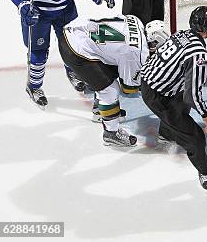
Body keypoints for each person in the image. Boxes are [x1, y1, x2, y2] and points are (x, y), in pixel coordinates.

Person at [58, 15, 168, 146]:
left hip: (73, 30)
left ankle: (102, 109)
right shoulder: (138, 53)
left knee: (110, 68)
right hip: (76, 51)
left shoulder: (136, 20)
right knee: (110, 89)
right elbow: (129, 89)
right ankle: (111, 132)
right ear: (154, 43)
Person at [140, 6, 207, 190]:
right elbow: (193, 95)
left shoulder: (181, 34)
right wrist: (206, 116)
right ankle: (204, 171)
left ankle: (166, 133)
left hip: (151, 81)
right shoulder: (198, 53)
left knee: (181, 106)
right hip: (158, 96)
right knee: (196, 138)